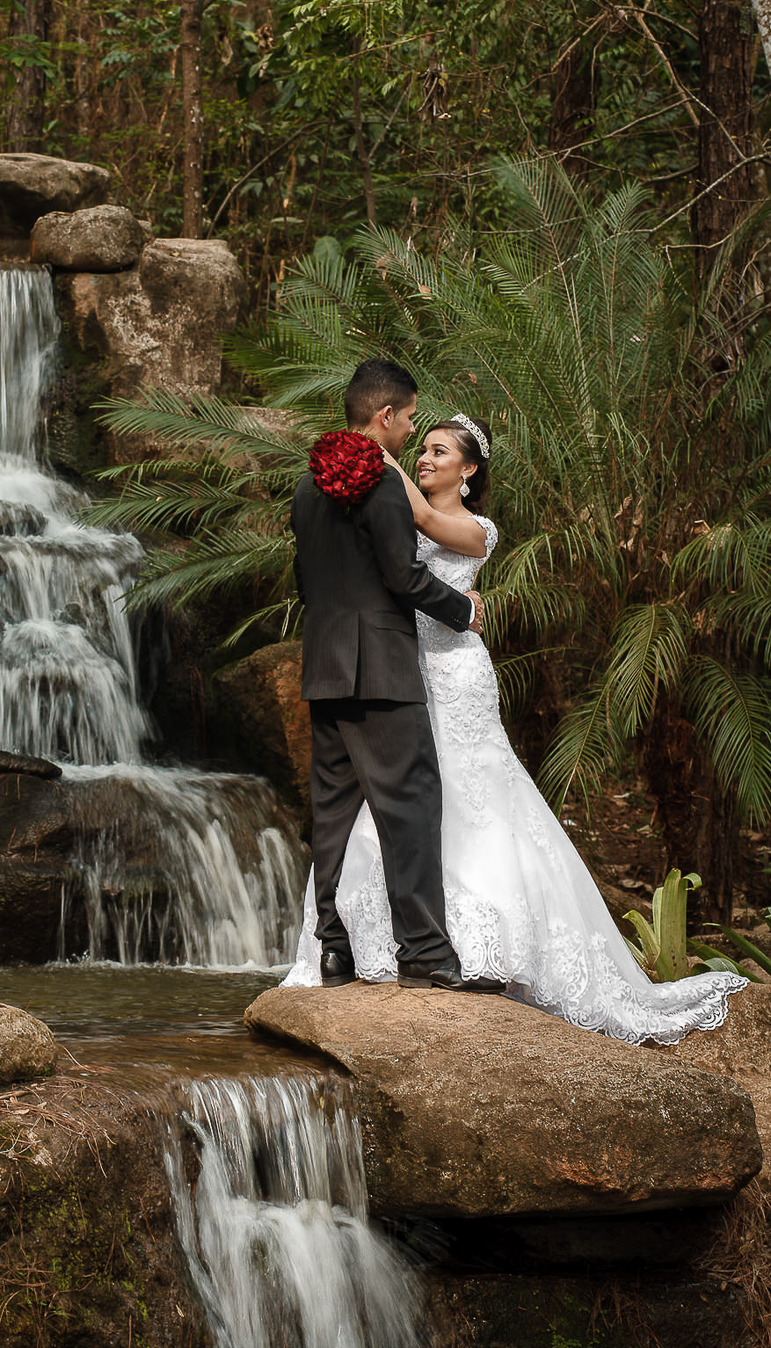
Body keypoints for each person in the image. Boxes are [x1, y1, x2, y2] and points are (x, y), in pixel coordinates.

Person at [284, 410, 747, 1045]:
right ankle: (386, 941)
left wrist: (382, 464)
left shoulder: (476, 527)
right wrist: (381, 475)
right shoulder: (393, 505)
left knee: (469, 797)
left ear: (470, 470)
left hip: (453, 671)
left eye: (440, 451)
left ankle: (481, 945)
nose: (424, 457)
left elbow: (426, 529)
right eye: (421, 447)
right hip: (399, 669)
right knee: (397, 802)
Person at [291, 357, 506, 994]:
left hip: (324, 665)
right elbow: (403, 576)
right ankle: (425, 954)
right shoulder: (381, 483)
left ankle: (334, 950)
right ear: (385, 415)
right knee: (410, 802)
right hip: (381, 667)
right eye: (410, 418)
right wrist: (464, 610)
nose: (412, 430)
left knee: (332, 811)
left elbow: (305, 578)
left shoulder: (308, 484)